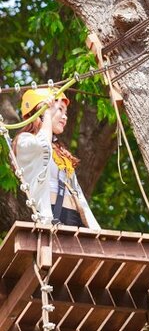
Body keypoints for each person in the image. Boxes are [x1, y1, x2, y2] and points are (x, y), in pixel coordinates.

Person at [13, 88, 101, 229]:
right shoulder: (25, 141)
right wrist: (46, 114)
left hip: (75, 216)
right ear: (40, 112)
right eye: (60, 109)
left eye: (65, 112)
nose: (65, 117)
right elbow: (42, 146)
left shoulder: (57, 149)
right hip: (52, 214)